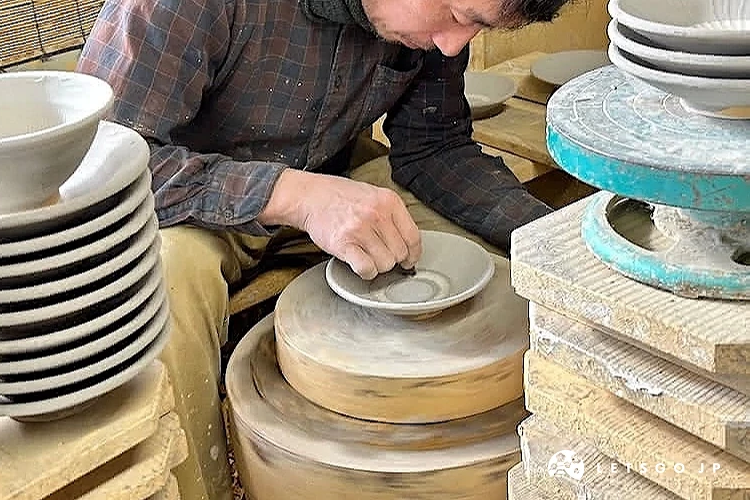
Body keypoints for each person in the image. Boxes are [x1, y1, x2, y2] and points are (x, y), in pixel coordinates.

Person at [77, 0, 568, 497]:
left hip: (334, 178)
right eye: (460, 16)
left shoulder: (437, 27)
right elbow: (95, 164)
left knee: (496, 269)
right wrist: (293, 196)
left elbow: (434, 146)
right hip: (193, 203)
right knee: (160, 286)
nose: (453, 45)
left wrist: (554, 244)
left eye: (479, 28)